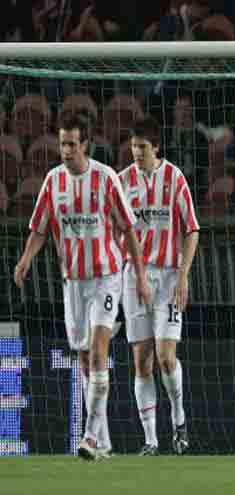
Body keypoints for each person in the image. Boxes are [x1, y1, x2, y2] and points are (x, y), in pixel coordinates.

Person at [14, 113, 152, 461]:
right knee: (84, 359)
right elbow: (40, 228)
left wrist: (138, 277)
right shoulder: (53, 181)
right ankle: (103, 443)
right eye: (62, 143)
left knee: (99, 351)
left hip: (107, 276)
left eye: (72, 144)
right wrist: (26, 259)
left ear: (85, 145)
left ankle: (89, 437)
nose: (65, 150)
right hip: (72, 281)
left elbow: (129, 229)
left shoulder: (105, 178)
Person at [119, 117, 200, 456]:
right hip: (133, 276)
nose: (136, 152)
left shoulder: (175, 178)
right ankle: (151, 440)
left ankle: (179, 421)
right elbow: (114, 231)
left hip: (167, 276)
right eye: (133, 146)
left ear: (156, 148)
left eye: (142, 147)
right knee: (142, 362)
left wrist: (183, 274)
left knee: (167, 358)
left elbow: (192, 229)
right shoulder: (121, 181)